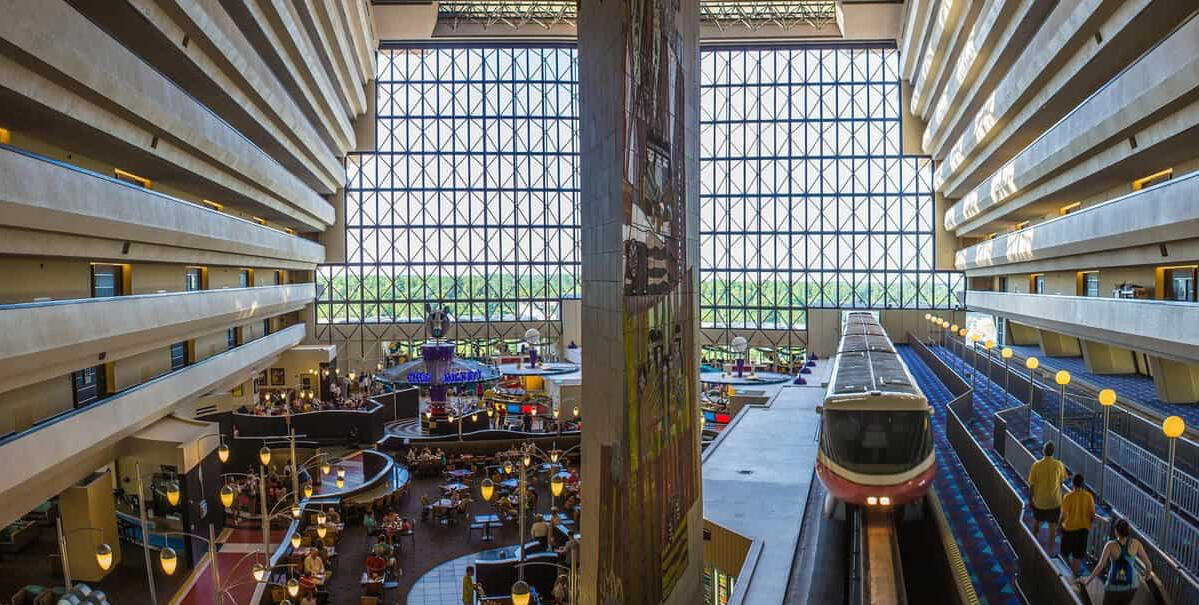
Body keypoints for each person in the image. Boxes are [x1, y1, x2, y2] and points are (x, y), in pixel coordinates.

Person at [1083, 519, 1152, 605]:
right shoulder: (1136, 543)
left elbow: (1101, 565)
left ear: (1116, 531)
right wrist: (1147, 577)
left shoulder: (1110, 545)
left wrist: (1087, 580)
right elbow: (1148, 565)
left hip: (1113, 586)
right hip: (1132, 585)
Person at [1027, 441, 1068, 555]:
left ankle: (1034, 545)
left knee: (1036, 523)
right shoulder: (1059, 465)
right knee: (1053, 527)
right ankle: (1049, 552)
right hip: (1055, 502)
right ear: (1053, 452)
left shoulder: (1036, 465)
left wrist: (1030, 499)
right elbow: (1061, 483)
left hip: (1040, 502)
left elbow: (1032, 485)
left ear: (1043, 451)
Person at [1059, 474, 1095, 576]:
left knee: (1064, 554)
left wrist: (1058, 526)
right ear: (1083, 484)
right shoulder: (1089, 497)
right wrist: (1089, 526)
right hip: (1083, 530)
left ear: (1072, 484)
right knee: (1077, 556)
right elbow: (1092, 515)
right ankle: (1074, 576)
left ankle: (1068, 572)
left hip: (1069, 530)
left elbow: (1063, 516)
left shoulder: (1068, 497)